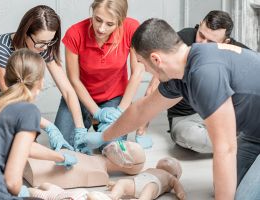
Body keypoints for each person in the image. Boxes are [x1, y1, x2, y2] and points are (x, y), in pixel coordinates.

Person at [76, 18, 260, 199]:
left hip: (252, 133)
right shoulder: (181, 73)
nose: (144, 70)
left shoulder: (205, 72)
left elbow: (226, 148)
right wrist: (103, 136)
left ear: (155, 59)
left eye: (142, 62)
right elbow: (141, 110)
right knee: (225, 187)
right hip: (254, 135)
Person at [0, 5, 87, 151]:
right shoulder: (1, 49)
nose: (45, 48)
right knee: (0, 148)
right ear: (25, 33)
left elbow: (67, 90)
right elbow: (12, 101)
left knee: (27, 140)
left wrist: (80, 128)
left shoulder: (41, 46)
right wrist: (49, 126)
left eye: (49, 42)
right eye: (41, 42)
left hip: (3, 102)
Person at [0, 49, 77, 200]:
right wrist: (24, 192)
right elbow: (12, 182)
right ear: (40, 82)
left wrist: (60, 157)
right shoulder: (28, 111)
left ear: (7, 78)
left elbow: (24, 147)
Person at [137, 10, 249, 153]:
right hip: (186, 118)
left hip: (222, 114)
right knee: (187, 135)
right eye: (201, 35)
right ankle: (243, 144)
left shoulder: (233, 49)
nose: (202, 44)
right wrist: (141, 131)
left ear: (225, 42)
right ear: (200, 24)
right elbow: (154, 86)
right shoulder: (183, 39)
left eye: (211, 42)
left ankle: (239, 142)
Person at [55, 0, 151, 150]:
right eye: (98, 19)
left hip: (114, 98)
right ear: (92, 11)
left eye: (109, 24)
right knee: (65, 143)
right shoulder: (75, 33)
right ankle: (92, 120)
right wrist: (97, 112)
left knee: (111, 147)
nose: (101, 28)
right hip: (80, 97)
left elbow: (137, 72)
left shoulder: (131, 28)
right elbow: (74, 80)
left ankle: (98, 124)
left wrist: (121, 111)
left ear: (120, 22)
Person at [24, 141, 146, 189]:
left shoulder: (100, 175)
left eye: (127, 147)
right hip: (28, 160)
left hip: (31, 170)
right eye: (126, 141)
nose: (120, 143)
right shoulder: (92, 158)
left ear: (127, 164)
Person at [87, 157, 185, 200]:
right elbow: (138, 177)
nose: (167, 159)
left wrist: (180, 192)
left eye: (172, 161)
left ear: (176, 175)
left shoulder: (171, 177)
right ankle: (113, 196)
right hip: (136, 183)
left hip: (153, 185)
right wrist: (117, 185)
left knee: (150, 186)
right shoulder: (151, 169)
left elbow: (177, 185)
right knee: (123, 182)